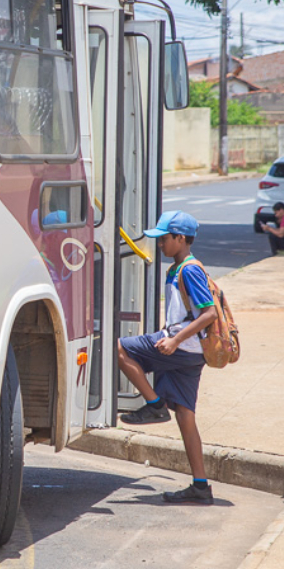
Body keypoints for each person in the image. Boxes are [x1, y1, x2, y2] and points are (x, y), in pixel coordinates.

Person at [116, 210, 218, 504]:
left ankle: (154, 404)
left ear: (181, 239)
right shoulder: (175, 269)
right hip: (189, 352)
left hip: (181, 347)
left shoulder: (189, 269)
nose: (160, 244)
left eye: (164, 239)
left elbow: (209, 313)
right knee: (186, 416)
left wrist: (173, 340)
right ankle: (200, 486)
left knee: (119, 348)